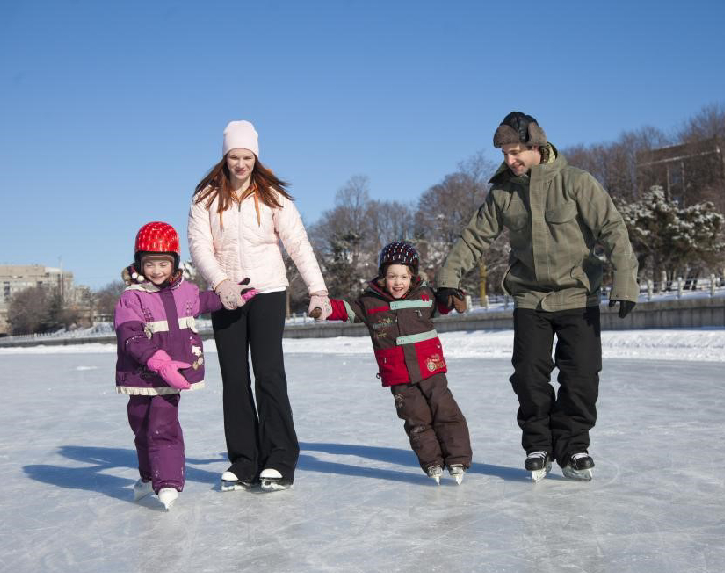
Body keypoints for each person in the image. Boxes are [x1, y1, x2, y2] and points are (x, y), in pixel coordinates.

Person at [437, 112, 639, 482]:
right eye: (504, 155)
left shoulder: (575, 182)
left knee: (581, 377)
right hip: (531, 298)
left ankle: (574, 444)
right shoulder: (503, 192)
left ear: (536, 146)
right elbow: (474, 238)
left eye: (515, 152)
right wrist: (449, 278)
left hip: (579, 296)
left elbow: (613, 229)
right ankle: (538, 444)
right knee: (529, 375)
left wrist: (625, 281)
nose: (509, 161)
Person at [187, 120, 331, 492]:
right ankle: (244, 459)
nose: (240, 164)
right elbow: (199, 247)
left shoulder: (272, 197)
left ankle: (280, 457)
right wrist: (221, 283)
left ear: (256, 157)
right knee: (234, 379)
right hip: (226, 295)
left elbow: (297, 243)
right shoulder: (204, 198)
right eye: (234, 157)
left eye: (247, 157)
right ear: (224, 157)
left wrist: (318, 290)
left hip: (267, 292)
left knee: (268, 374)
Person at [114, 222, 250, 510]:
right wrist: (157, 361)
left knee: (163, 427)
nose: (157, 270)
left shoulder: (185, 291)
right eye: (150, 264)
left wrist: (231, 295)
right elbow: (131, 336)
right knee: (141, 428)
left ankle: (167, 482)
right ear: (140, 263)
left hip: (169, 378)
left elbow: (205, 301)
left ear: (174, 262)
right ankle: (148, 477)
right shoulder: (132, 297)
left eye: (163, 263)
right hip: (140, 376)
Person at [313, 241, 473, 484]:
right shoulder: (371, 302)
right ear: (382, 276)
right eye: (391, 276)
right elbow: (345, 309)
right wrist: (323, 307)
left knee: (445, 410)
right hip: (398, 375)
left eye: (403, 276)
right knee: (416, 419)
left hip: (430, 367)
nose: (397, 282)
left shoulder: (424, 295)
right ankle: (432, 463)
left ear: (413, 276)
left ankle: (458, 458)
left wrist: (454, 298)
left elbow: (444, 302)